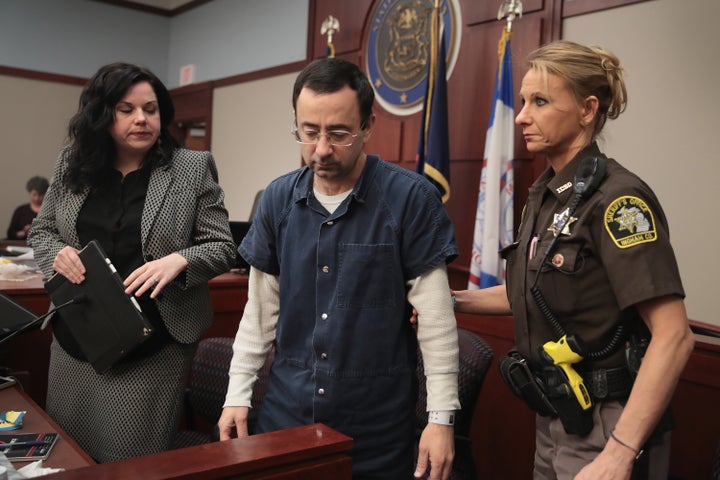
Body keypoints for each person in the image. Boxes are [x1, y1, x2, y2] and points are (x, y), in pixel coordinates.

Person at [451, 40, 694, 480]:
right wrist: (453, 303)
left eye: (540, 101)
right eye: (523, 101)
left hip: (612, 423)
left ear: (587, 109)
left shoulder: (618, 200)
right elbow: (530, 292)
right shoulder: (548, 193)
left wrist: (620, 452)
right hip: (558, 414)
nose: (523, 115)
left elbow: (674, 336)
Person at [218, 58, 460, 480]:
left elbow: (437, 320)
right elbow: (258, 315)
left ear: (368, 126)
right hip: (287, 412)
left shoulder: (410, 199)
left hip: (375, 424)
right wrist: (236, 395)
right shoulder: (277, 200)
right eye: (309, 133)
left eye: (339, 133)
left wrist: (441, 420)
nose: (322, 149)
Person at [28, 62, 236, 462]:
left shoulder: (191, 168)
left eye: (151, 109)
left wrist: (179, 260)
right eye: (127, 109)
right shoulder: (71, 163)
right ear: (102, 115)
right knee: (68, 457)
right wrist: (58, 254)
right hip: (78, 340)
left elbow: (222, 246)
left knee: (133, 464)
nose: (142, 119)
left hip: (154, 347)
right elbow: (42, 231)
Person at [6, 176, 49, 240]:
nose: (37, 198)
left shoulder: (49, 211)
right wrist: (23, 233)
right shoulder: (20, 211)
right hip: (22, 244)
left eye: (40, 195)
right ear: (29, 193)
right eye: (34, 194)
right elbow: (10, 233)